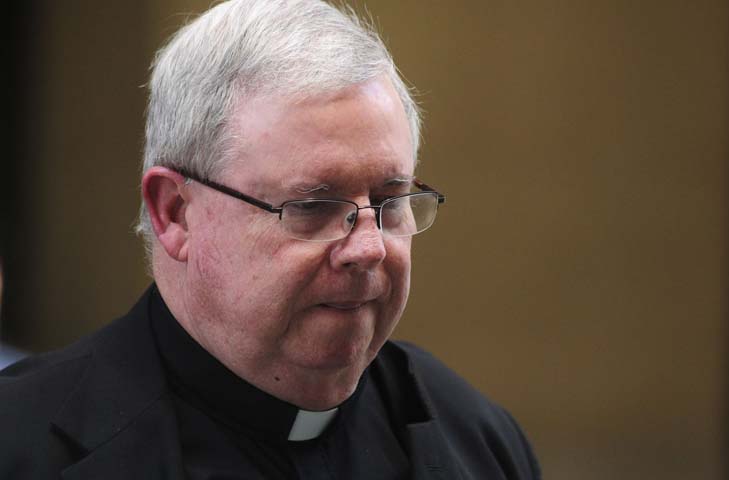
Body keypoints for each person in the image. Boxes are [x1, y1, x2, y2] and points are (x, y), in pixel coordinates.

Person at [0, 1, 540, 478]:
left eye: (390, 200)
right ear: (176, 213)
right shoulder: (22, 446)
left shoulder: (478, 438)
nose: (370, 247)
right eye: (312, 206)